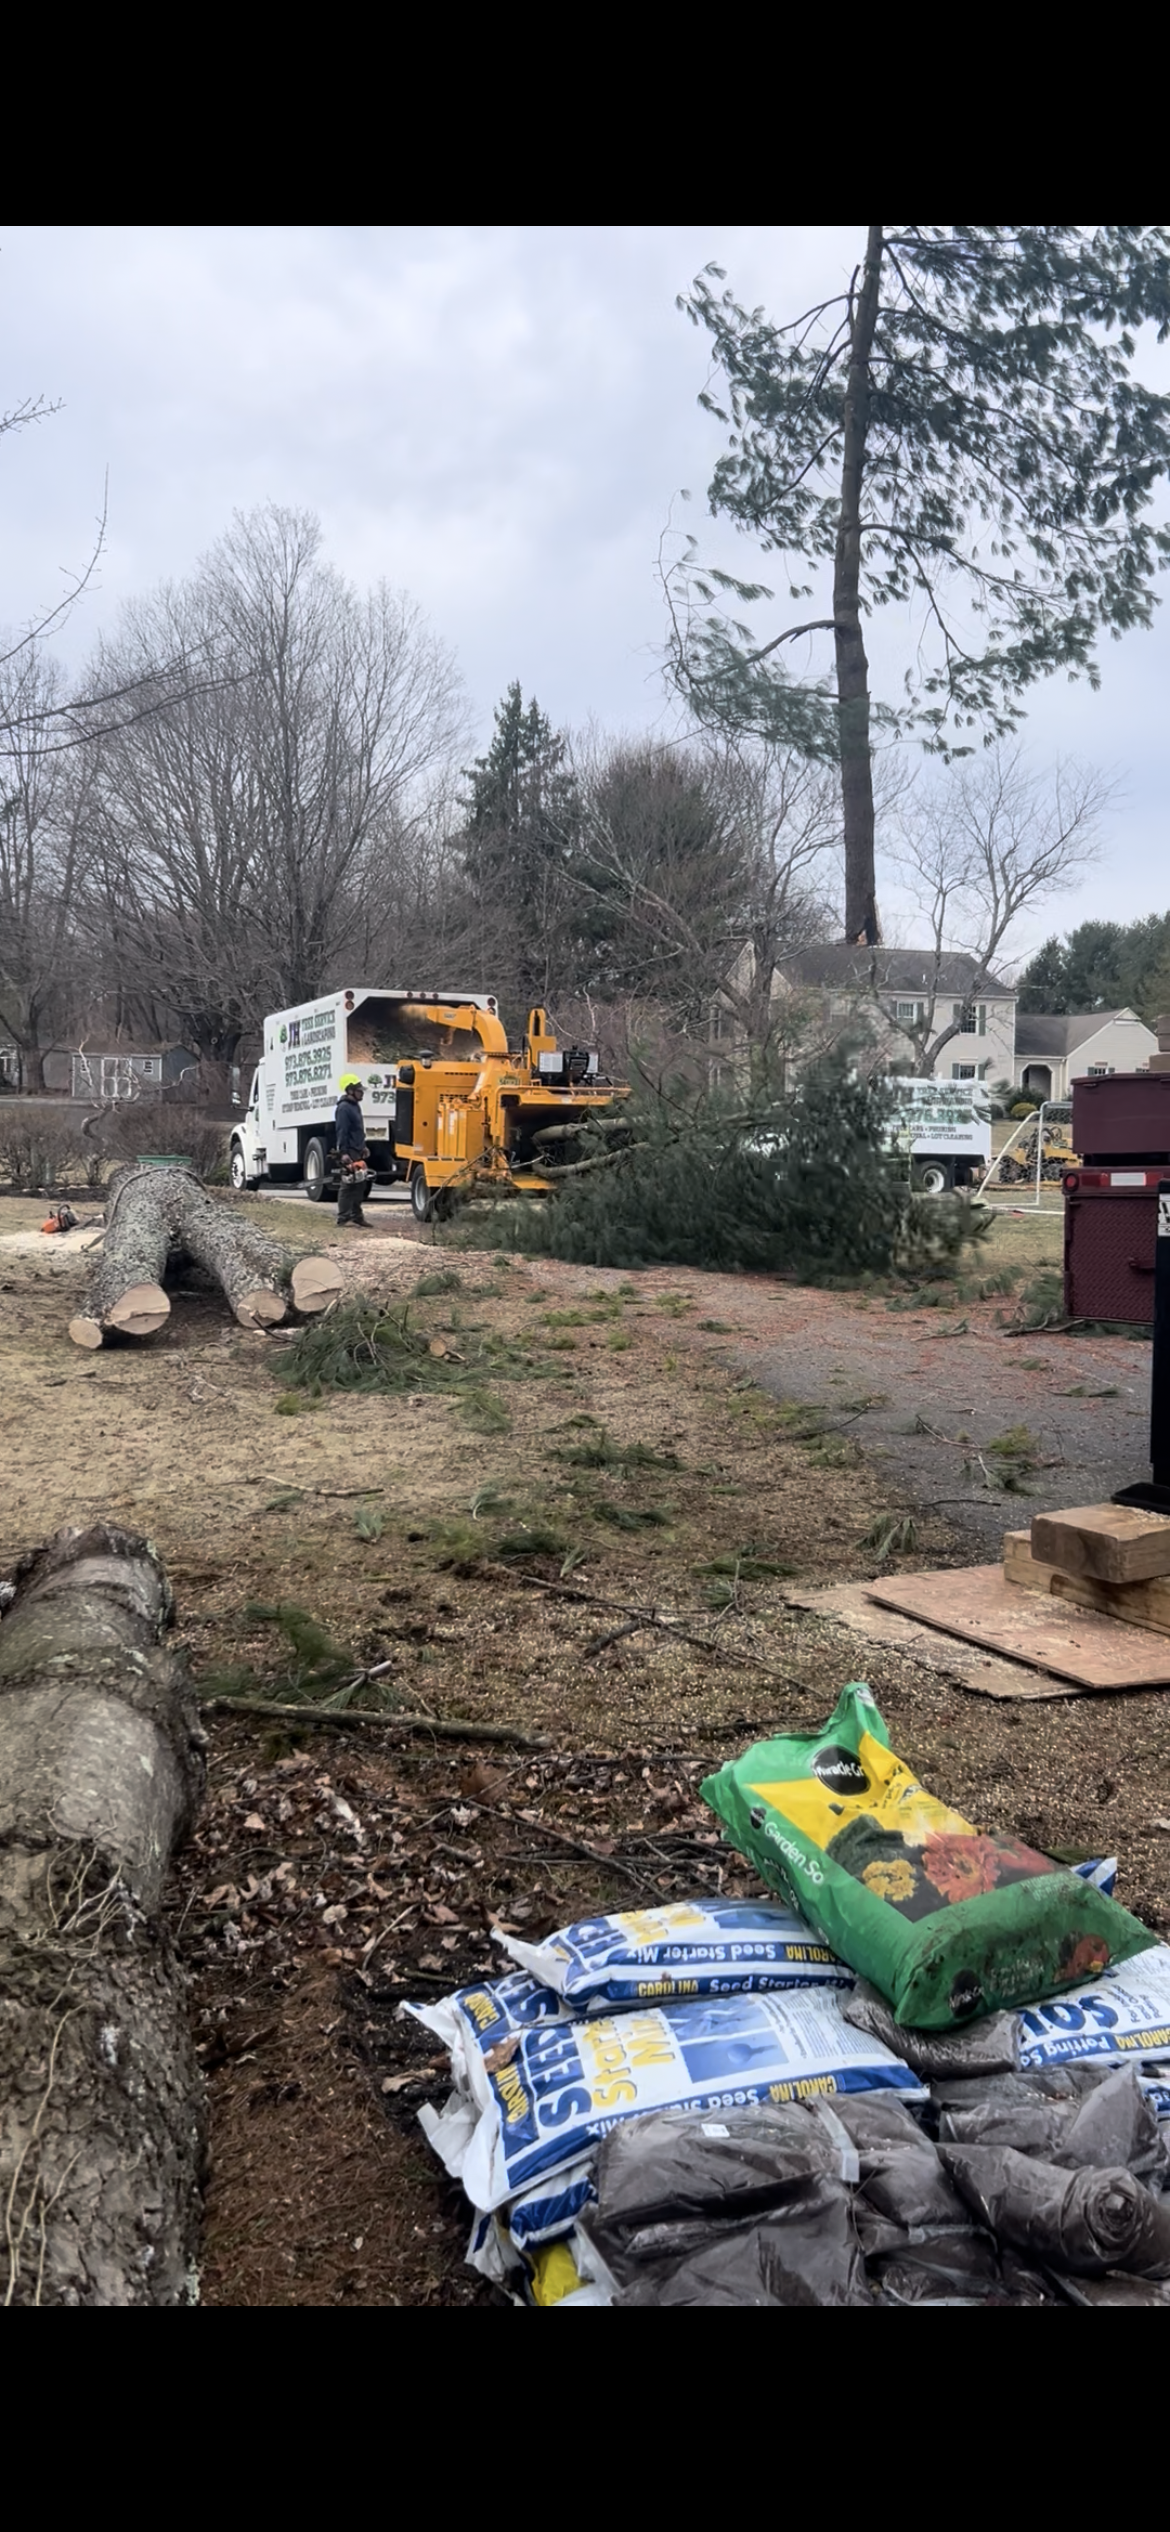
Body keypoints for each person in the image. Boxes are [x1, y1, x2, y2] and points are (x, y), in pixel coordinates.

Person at [334, 1075, 371, 1227]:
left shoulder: (355, 1106)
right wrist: (343, 1153)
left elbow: (357, 1130)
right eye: (358, 1090)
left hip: (357, 1150)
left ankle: (357, 1216)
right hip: (349, 1151)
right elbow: (342, 1131)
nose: (361, 1093)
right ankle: (343, 1217)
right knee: (348, 1184)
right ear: (350, 1090)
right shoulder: (344, 1108)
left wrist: (363, 1146)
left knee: (359, 1184)